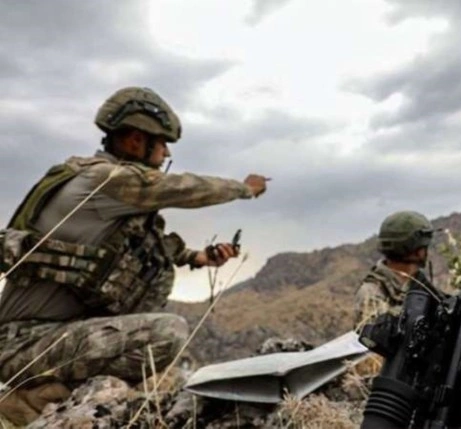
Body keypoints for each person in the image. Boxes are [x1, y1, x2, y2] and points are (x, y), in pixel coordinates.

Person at [0, 87, 267, 424]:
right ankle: (28, 404)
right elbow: (182, 188)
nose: (166, 152)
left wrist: (200, 257)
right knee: (168, 333)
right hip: (21, 344)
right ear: (136, 141)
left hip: (45, 338)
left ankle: (44, 403)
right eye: (162, 143)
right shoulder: (103, 180)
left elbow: (141, 248)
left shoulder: (106, 190)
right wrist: (244, 188)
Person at [354, 211, 435, 328]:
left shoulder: (420, 284)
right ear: (415, 250)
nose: (426, 251)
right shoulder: (371, 294)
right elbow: (375, 336)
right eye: (424, 246)